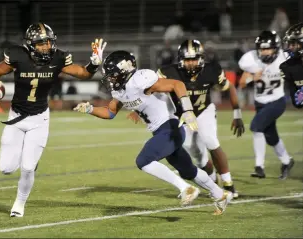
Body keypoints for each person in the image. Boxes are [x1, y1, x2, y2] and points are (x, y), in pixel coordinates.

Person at [74, 50, 233, 215]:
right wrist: (90, 109)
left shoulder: (140, 80)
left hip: (171, 128)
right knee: (188, 171)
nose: (111, 79)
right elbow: (110, 112)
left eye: (113, 75)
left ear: (125, 71)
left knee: (143, 160)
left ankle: (185, 188)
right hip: (160, 132)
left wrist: (187, 109)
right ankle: (220, 195)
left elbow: (177, 85)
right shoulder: (119, 91)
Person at [0, 23, 107, 217]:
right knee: (6, 169)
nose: (46, 47)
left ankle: (19, 205)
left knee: (28, 167)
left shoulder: (58, 57)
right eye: (40, 43)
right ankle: (27, 156)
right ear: (30, 45)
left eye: (48, 42)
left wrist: (94, 64)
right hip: (16, 118)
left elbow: (83, 74)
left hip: (39, 119)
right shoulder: (17, 55)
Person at [128, 39, 243, 198]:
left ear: (201, 58)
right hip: (181, 115)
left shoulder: (211, 70)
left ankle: (229, 184)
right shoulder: (167, 71)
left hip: (204, 110)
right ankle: (212, 180)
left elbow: (228, 87)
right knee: (197, 156)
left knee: (210, 140)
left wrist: (237, 113)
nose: (190, 63)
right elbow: (148, 89)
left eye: (194, 59)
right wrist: (138, 107)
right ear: (180, 59)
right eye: (187, 59)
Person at [238, 30, 294, 179]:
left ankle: (259, 167)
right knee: (270, 136)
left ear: (276, 48)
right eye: (262, 49)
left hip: (277, 101)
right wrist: (252, 78)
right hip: (260, 103)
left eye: (268, 48)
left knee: (256, 127)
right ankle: (287, 161)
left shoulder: (284, 58)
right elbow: (242, 83)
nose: (264, 52)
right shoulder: (252, 61)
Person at [280, 22, 303, 109]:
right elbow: (297, 103)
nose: (290, 47)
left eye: (293, 44)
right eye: (289, 44)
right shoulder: (288, 67)